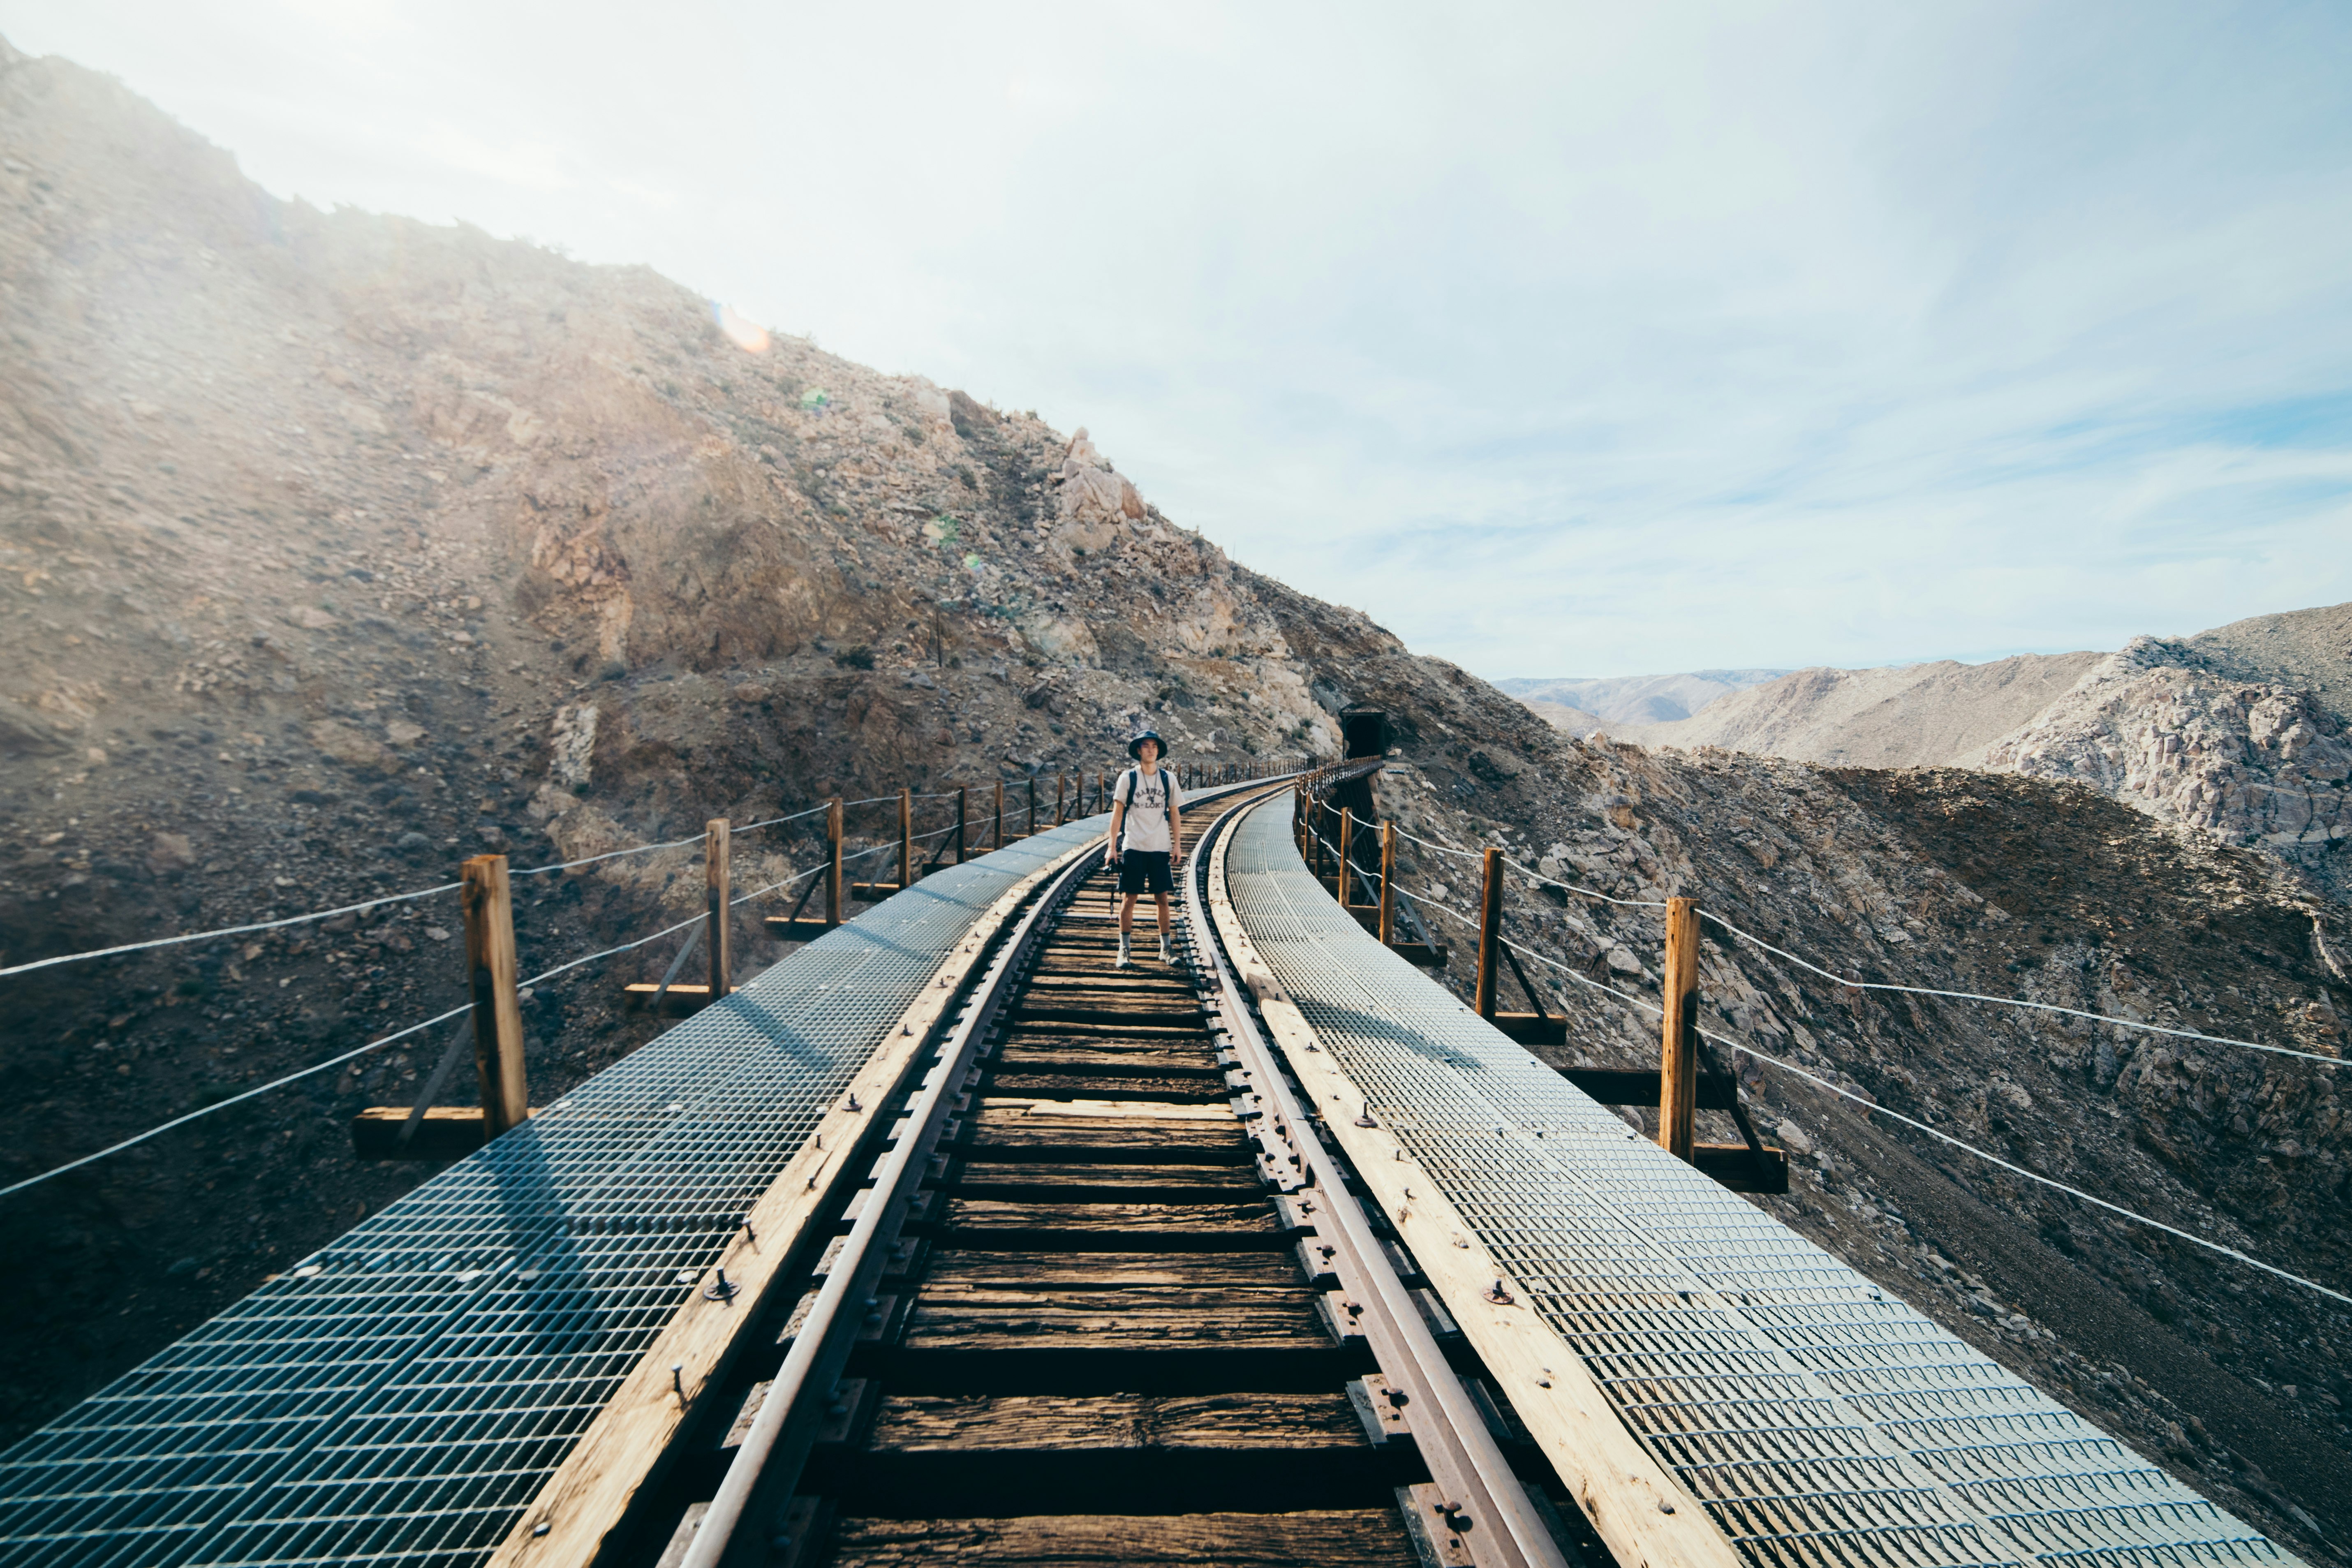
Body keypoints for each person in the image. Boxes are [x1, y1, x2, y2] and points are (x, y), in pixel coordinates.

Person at [1105, 729, 1184, 967]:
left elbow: (1175, 813)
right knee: (1130, 899)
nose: (1150, 750)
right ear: (1139, 751)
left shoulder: (1168, 779)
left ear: (1158, 751)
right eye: (1146, 746)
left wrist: (1177, 844)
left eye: (1154, 746)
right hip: (1134, 847)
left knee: (1163, 898)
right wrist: (1112, 848)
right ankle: (1124, 950)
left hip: (1160, 847)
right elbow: (1117, 814)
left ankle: (1166, 949)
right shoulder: (1128, 779)